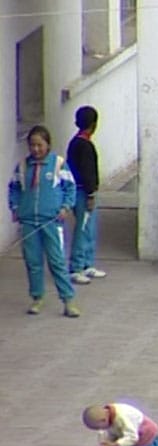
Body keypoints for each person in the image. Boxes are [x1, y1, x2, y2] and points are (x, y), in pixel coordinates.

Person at [8, 125, 80, 317]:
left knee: (56, 261)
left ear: (48, 144)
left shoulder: (58, 164)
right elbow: (14, 188)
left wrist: (66, 206)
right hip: (29, 221)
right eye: (32, 145)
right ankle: (37, 297)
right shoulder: (23, 166)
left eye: (40, 145)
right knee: (33, 262)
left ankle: (68, 300)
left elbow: (70, 188)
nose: (36, 149)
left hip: (51, 221)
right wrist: (15, 207)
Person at [66, 105, 107, 285]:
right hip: (83, 192)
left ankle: (87, 263)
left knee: (89, 228)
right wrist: (91, 194)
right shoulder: (85, 145)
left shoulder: (75, 143)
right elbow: (88, 172)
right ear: (94, 124)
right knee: (83, 229)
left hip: (80, 190)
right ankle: (76, 267)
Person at [82, 403, 158, 446]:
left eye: (100, 428)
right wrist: (109, 443)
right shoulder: (108, 417)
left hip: (145, 432)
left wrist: (114, 445)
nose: (102, 430)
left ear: (103, 420)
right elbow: (113, 433)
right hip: (128, 433)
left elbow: (132, 437)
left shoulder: (121, 417)